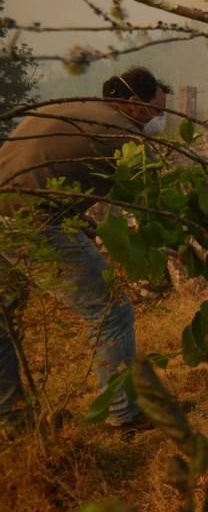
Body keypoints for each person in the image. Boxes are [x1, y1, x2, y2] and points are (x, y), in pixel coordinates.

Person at [0, 66, 170, 432]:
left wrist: (74, 217)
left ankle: (13, 426)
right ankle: (124, 415)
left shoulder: (77, 105)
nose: (159, 121)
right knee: (111, 311)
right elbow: (160, 200)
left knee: (2, 323)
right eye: (157, 112)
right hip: (31, 224)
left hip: (9, 212)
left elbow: (50, 168)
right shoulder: (123, 132)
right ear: (132, 104)